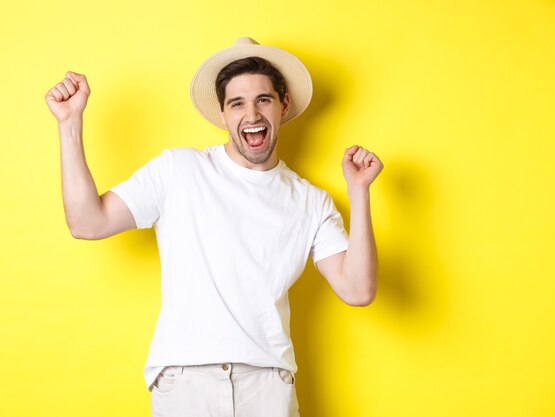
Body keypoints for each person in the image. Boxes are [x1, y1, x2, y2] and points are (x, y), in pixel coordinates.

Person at [45, 37, 383, 417]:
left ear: (283, 105)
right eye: (237, 103)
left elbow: (358, 289)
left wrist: (359, 192)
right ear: (223, 114)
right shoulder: (178, 170)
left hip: (267, 386)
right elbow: (87, 222)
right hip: (185, 383)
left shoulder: (309, 201)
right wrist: (69, 124)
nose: (251, 114)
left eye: (263, 100)